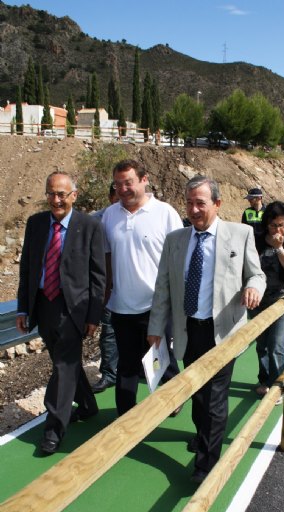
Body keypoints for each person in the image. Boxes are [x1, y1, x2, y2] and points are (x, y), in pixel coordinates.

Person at [148, 175, 266, 484]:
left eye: (201, 203)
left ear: (217, 203)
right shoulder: (176, 240)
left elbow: (257, 274)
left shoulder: (240, 234)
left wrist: (253, 288)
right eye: (189, 203)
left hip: (223, 331)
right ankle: (203, 437)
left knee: (214, 396)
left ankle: (206, 465)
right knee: (198, 392)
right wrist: (156, 328)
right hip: (189, 330)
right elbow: (163, 287)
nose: (194, 210)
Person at [16, 171, 105, 453]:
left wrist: (93, 315)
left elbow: (98, 276)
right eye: (51, 194)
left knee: (63, 367)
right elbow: (27, 269)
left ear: (73, 196)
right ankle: (88, 405)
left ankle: (54, 428)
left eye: (62, 194)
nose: (56, 200)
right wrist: (23, 308)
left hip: (74, 308)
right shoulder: (36, 224)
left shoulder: (89, 226)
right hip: (43, 305)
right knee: (62, 361)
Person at [102, 159, 183, 416]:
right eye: (118, 184)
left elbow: (179, 259)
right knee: (126, 364)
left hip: (155, 307)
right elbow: (105, 258)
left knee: (160, 359)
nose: (123, 189)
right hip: (121, 307)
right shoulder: (109, 214)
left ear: (144, 180)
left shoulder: (165, 213)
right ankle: (125, 415)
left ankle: (173, 398)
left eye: (129, 183)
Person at [250, 201, 284, 400]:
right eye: (273, 225)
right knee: (262, 345)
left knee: (276, 345)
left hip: (283, 297)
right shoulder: (257, 240)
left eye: (281, 224)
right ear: (266, 224)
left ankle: (278, 385)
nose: (278, 229)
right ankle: (265, 380)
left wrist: (279, 248)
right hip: (259, 298)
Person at [91, 182, 119, 393]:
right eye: (116, 197)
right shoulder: (96, 221)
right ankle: (110, 373)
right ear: (110, 198)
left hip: (133, 285)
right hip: (106, 286)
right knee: (108, 330)